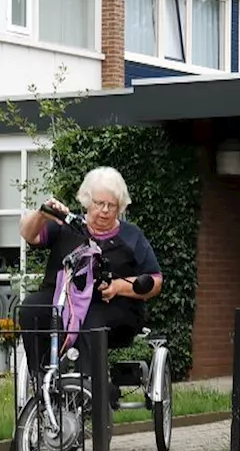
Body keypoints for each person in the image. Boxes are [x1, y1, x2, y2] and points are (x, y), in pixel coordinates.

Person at [16, 166, 163, 404]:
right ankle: (43, 379)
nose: (104, 211)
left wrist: (118, 287)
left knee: (91, 323)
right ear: (87, 201)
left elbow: (155, 280)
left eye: (111, 205)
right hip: (61, 300)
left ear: (120, 207)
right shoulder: (68, 225)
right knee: (31, 309)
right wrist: (42, 213)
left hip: (113, 307)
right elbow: (29, 234)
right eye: (99, 203)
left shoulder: (131, 236)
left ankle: (95, 388)